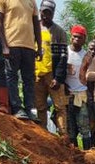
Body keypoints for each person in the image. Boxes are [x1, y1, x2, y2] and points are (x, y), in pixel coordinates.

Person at [0, 0, 40, 120]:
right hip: (12, 44)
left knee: (29, 78)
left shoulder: (32, 1)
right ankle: (17, 108)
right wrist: (4, 46)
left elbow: (36, 24)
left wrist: (39, 46)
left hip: (29, 46)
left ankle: (30, 108)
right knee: (12, 76)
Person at [33, 0, 66, 132]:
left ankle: (63, 134)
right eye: (43, 12)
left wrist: (58, 78)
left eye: (49, 13)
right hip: (36, 73)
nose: (45, 15)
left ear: (53, 14)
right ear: (40, 11)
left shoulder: (59, 32)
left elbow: (63, 57)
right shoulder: (32, 28)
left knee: (60, 106)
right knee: (40, 107)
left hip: (52, 73)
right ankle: (43, 133)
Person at [63, 25, 90, 147]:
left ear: (84, 39)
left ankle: (88, 153)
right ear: (71, 37)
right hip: (66, 94)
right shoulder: (65, 52)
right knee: (70, 127)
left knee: (84, 127)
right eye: (75, 36)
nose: (77, 39)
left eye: (80, 37)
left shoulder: (87, 56)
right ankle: (73, 153)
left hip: (82, 94)